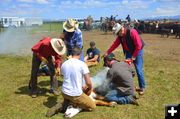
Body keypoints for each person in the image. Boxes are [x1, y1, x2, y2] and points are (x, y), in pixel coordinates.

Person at [46, 46, 96, 117]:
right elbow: (88, 82)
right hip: (75, 94)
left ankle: (66, 103)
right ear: (80, 54)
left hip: (64, 92)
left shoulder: (64, 64)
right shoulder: (82, 64)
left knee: (72, 98)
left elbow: (62, 76)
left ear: (71, 54)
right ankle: (65, 105)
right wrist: (90, 88)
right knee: (92, 106)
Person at [102, 23, 146, 95]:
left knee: (138, 70)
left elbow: (139, 45)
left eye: (117, 33)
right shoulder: (120, 36)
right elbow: (115, 44)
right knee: (126, 69)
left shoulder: (132, 32)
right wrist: (107, 52)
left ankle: (142, 87)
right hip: (129, 52)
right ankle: (130, 85)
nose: (117, 35)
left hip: (137, 51)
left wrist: (134, 56)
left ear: (121, 30)